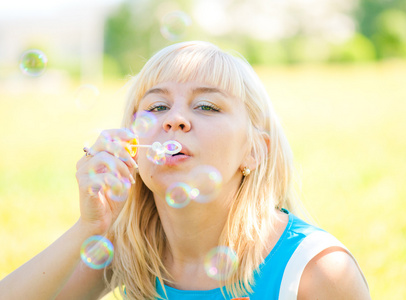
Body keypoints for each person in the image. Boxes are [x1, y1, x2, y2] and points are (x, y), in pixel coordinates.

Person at [0, 41, 370, 299]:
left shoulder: (317, 271)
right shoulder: (130, 249)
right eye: (157, 107)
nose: (175, 119)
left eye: (207, 106)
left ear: (255, 151)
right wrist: (89, 227)